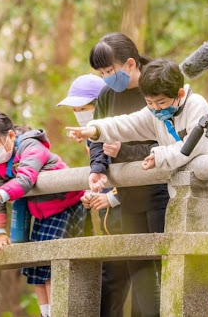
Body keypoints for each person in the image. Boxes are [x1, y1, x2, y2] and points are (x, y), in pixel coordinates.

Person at [67, 58, 208, 317]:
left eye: (160, 103)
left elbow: (194, 146)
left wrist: (159, 156)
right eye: (149, 103)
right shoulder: (156, 114)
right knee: (189, 255)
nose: (155, 109)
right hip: (179, 194)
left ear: (179, 94)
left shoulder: (197, 106)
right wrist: (94, 130)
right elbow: (127, 123)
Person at [86, 32, 170, 317]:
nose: (107, 77)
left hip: (161, 192)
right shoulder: (107, 94)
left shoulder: (157, 85)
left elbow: (169, 139)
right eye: (101, 73)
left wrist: (125, 151)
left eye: (110, 71)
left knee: (165, 265)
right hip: (128, 196)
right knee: (139, 269)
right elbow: (96, 136)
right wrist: (98, 168)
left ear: (131, 64)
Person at [0, 110, 86, 317]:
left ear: (11, 136)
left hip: (65, 206)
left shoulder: (32, 147)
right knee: (36, 269)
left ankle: (57, 313)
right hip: (41, 214)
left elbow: (25, 180)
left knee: (51, 265)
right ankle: (46, 313)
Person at [57, 74, 139, 316]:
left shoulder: (126, 125)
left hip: (136, 218)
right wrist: (90, 193)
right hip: (110, 227)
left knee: (143, 289)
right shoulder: (90, 140)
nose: (80, 114)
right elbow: (103, 174)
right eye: (75, 110)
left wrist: (113, 198)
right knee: (109, 294)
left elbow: (142, 169)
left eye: (85, 108)